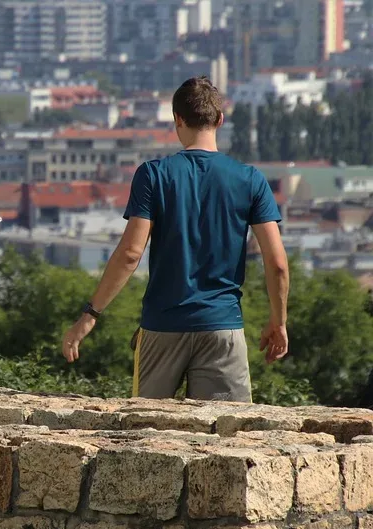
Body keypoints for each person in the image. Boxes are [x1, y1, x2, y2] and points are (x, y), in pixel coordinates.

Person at [60, 76, 290, 402]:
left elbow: (129, 254)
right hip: (222, 326)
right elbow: (278, 263)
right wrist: (278, 321)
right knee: (227, 439)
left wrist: (89, 317)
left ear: (177, 120)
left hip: (162, 327)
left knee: (146, 432)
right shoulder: (250, 179)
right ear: (219, 120)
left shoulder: (153, 175)